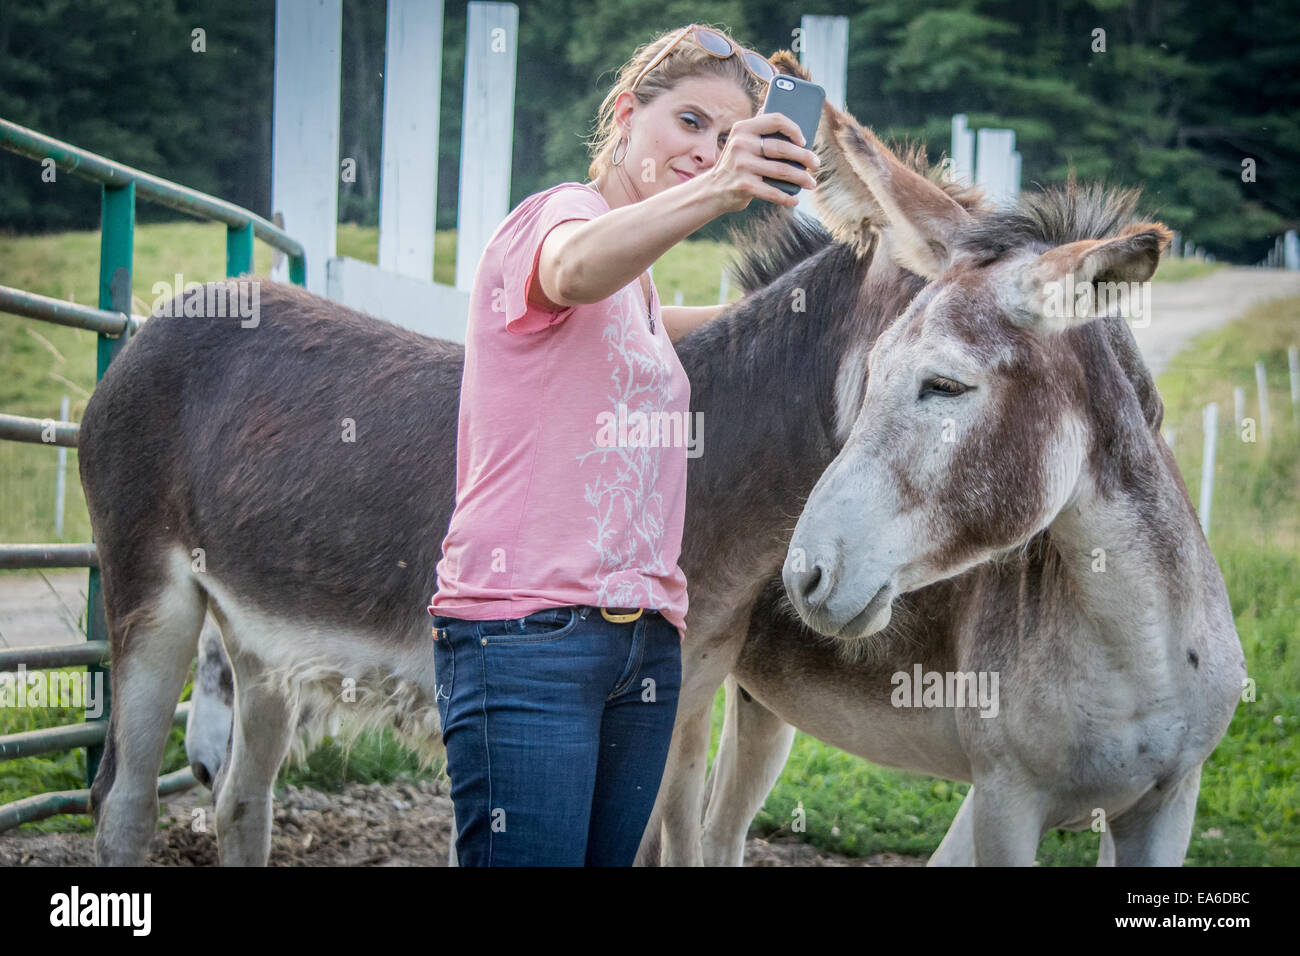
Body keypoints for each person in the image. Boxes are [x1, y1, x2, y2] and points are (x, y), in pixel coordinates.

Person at [427, 22, 821, 867]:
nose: (708, 149)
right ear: (624, 112)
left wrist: (840, 292)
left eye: (728, 137)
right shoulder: (559, 217)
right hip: (529, 631)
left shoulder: (636, 289)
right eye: (689, 123)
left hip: (643, 641)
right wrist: (723, 187)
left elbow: (729, 330)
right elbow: (571, 270)